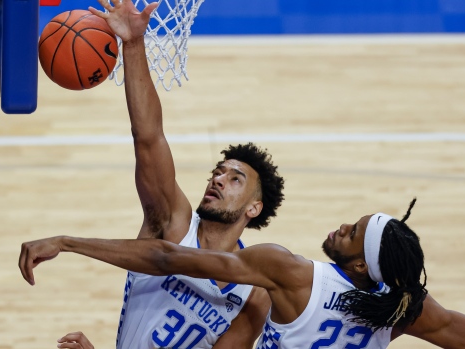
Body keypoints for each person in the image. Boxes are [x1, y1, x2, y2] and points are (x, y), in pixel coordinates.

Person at [34, 0, 285, 347]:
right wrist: (133, 44)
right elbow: (149, 138)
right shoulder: (173, 223)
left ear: (253, 208)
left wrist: (67, 243)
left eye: (235, 179)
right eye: (218, 172)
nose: (218, 180)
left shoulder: (254, 295)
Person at [19, 199, 465, 349]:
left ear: (359, 265)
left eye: (352, 233)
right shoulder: (400, 309)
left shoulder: (291, 274)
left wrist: (68, 242)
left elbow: (165, 258)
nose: (342, 227)